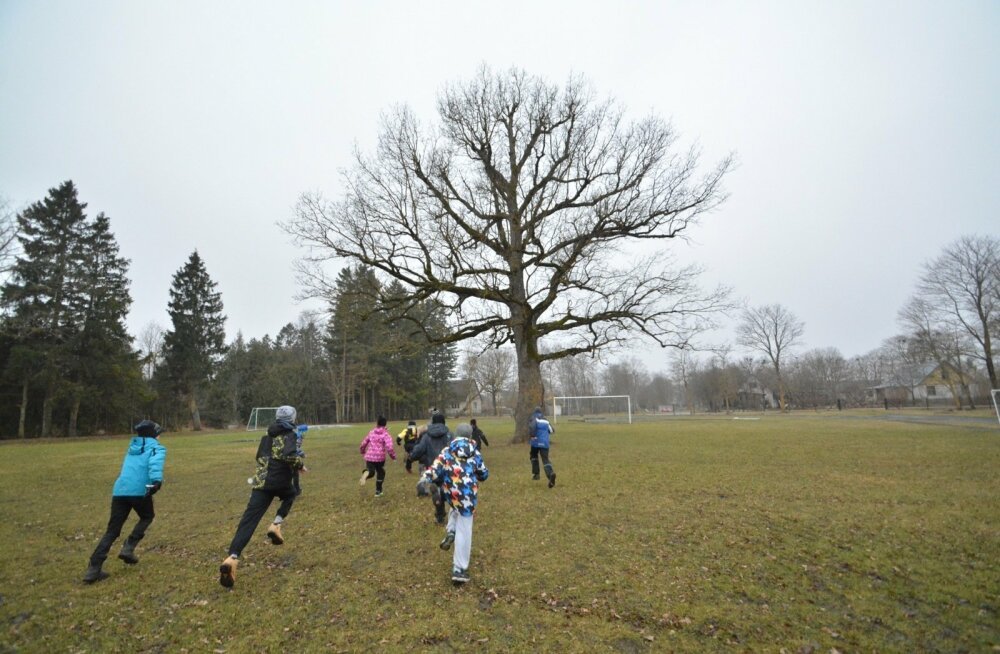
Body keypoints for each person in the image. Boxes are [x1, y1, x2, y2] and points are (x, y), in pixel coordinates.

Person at [219, 405, 305, 589]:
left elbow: (259, 457)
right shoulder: (290, 434)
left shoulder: (266, 437)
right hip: (279, 481)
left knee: (248, 521)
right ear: (292, 419)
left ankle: (232, 558)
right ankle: (276, 524)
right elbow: (289, 455)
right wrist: (300, 464)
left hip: (260, 484)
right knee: (291, 494)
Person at [83, 420, 166, 584]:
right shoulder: (156, 447)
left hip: (120, 490)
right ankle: (129, 547)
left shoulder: (132, 447)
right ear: (153, 434)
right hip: (139, 490)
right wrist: (156, 481)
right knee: (147, 516)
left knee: (112, 531)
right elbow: (154, 464)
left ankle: (93, 568)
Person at [418, 423, 488, 584]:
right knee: (465, 530)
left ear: (456, 435)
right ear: (470, 436)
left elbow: (435, 468)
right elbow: (484, 474)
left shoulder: (447, 451)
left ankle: (450, 531)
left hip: (451, 491)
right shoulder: (475, 453)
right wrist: (478, 473)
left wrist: (424, 479)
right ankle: (459, 568)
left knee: (455, 508)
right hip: (468, 494)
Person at [407, 411, 452, 524]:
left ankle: (440, 515)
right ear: (444, 422)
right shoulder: (449, 435)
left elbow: (419, 450)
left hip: (433, 469)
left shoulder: (427, 436)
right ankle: (449, 504)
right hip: (448, 469)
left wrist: (411, 457)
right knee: (449, 489)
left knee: (436, 489)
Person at [359, 416, 396, 497]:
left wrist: (362, 451)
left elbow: (364, 443)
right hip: (380, 458)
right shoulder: (386, 434)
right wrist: (393, 456)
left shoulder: (371, 432)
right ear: (385, 424)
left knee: (371, 472)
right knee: (381, 472)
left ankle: (366, 473)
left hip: (369, 457)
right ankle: (378, 491)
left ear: (377, 423)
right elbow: (389, 447)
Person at [528, 406, 556, 488]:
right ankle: (550, 474)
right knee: (545, 459)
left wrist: (532, 435)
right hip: (545, 443)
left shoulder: (534, 418)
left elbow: (532, 426)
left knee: (533, 456)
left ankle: (536, 474)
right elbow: (552, 430)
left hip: (536, 442)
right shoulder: (546, 420)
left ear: (535, 412)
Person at [292, 423, 308, 496]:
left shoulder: (298, 435)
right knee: (295, 474)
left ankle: (296, 489)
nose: (306, 433)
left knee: (294, 474)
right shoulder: (298, 437)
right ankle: (296, 490)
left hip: (292, 457)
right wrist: (302, 454)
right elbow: (295, 448)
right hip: (292, 457)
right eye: (305, 431)